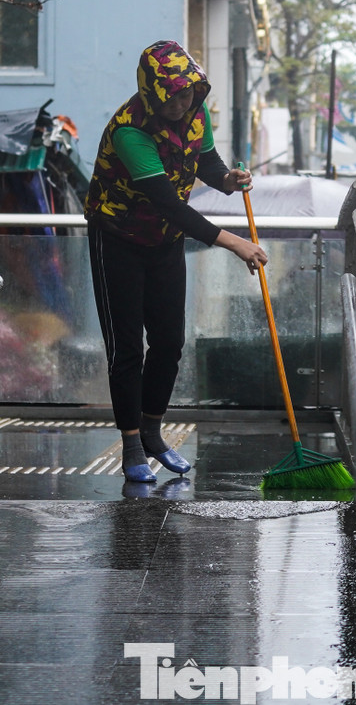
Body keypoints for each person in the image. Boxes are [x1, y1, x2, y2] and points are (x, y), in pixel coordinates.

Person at [84, 40, 268, 484]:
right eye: (175, 97)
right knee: (127, 348)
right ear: (152, 94)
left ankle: (152, 430)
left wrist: (227, 179)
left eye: (190, 94)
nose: (183, 104)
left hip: (163, 241)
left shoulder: (195, 111)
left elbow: (204, 160)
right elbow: (170, 204)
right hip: (118, 237)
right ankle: (130, 443)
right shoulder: (130, 131)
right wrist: (234, 243)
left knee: (169, 342)